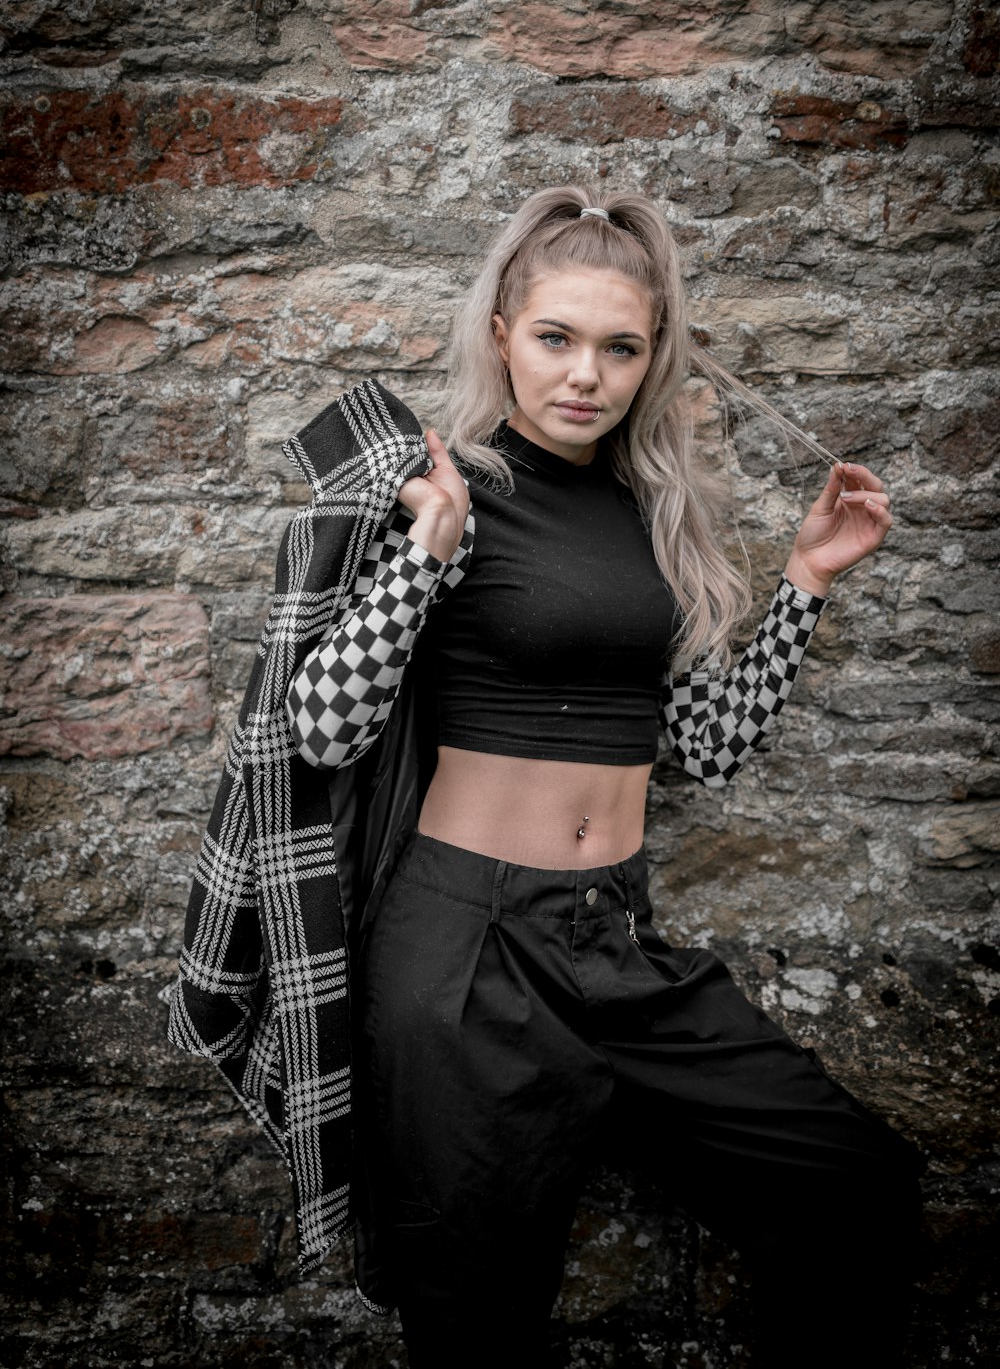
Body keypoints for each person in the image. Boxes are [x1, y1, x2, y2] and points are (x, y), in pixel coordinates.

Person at [187, 186, 923, 1368]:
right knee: (477, 1316)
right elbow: (318, 728)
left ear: (652, 358)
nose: (586, 374)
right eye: (556, 338)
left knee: (854, 1185)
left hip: (619, 948)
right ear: (502, 336)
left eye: (620, 347)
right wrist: (426, 550)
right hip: (467, 952)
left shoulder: (655, 514)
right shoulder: (451, 495)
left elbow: (710, 747)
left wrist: (805, 581)